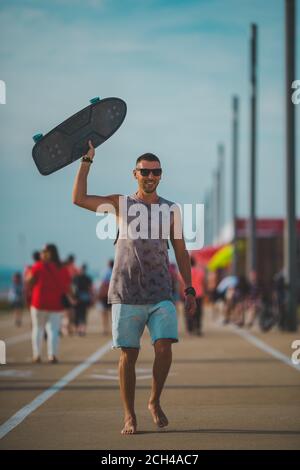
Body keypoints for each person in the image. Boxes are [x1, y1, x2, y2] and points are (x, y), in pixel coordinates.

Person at [72, 140, 196, 435]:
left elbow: (180, 251)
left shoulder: (171, 210)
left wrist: (189, 288)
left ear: (161, 175)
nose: (150, 176)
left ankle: (154, 400)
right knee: (128, 354)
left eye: (156, 172)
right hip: (126, 292)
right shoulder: (120, 204)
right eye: (145, 171)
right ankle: (129, 415)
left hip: (160, 293)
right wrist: (86, 162)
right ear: (135, 174)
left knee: (164, 348)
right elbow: (78, 199)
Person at [26, 244, 72, 363]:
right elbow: (67, 286)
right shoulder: (62, 268)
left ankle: (37, 355)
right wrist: (72, 298)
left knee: (38, 329)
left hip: (38, 303)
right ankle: (53, 355)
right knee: (53, 330)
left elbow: (29, 282)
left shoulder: (37, 266)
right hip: (55, 304)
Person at [72, 264, 93, 336]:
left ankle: (80, 331)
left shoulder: (76, 278)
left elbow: (73, 288)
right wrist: (91, 298)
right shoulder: (87, 278)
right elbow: (90, 289)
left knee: (79, 315)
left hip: (79, 298)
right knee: (81, 315)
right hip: (83, 298)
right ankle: (81, 330)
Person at [98, 259, 114, 336]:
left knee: (104, 314)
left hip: (105, 295)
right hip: (113, 295)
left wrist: (99, 294)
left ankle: (105, 330)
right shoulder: (115, 271)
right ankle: (113, 329)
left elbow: (103, 284)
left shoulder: (106, 272)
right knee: (112, 314)